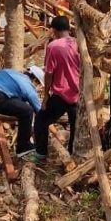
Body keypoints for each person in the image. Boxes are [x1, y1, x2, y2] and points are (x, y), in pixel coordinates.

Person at [31, 16, 81, 162]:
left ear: (54, 30)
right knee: (75, 126)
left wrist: (46, 94)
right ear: (69, 28)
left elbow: (49, 73)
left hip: (62, 94)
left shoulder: (53, 46)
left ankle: (41, 153)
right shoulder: (78, 43)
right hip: (78, 93)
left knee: (41, 120)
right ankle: (72, 154)